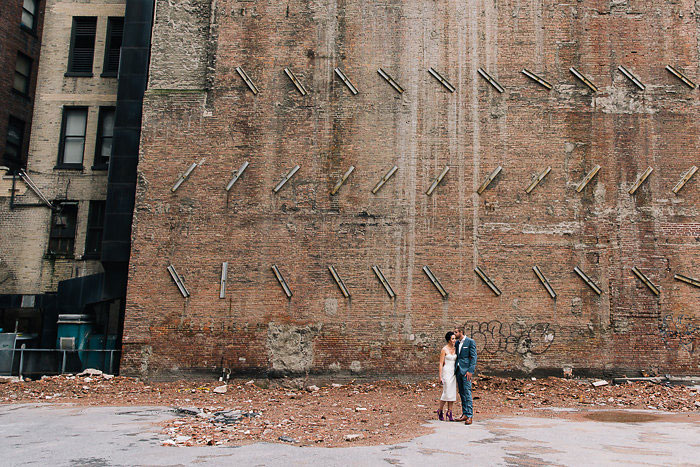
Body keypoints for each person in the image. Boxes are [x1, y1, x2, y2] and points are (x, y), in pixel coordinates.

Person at [454, 326, 477, 425]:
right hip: (458, 370)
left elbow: (474, 356)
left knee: (467, 392)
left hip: (466, 371)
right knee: (462, 392)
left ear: (461, 332)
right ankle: (464, 414)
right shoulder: (457, 343)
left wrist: (470, 370)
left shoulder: (470, 342)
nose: (454, 334)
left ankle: (470, 415)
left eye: (456, 332)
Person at [436, 331, 457, 421]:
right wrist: (440, 376)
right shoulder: (444, 349)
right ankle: (440, 410)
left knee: (452, 392)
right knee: (446, 391)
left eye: (455, 338)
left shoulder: (456, 348)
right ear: (449, 340)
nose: (454, 340)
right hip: (446, 372)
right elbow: (441, 363)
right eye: (453, 339)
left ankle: (450, 412)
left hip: (454, 372)